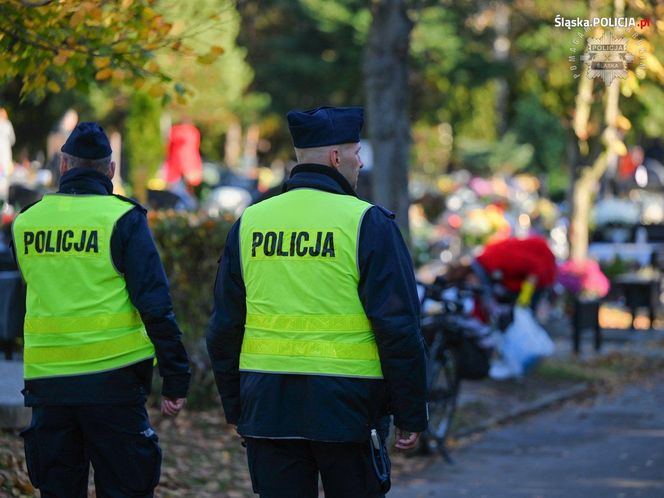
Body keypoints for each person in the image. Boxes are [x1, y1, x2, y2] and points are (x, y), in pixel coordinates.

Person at [207, 106, 428, 498]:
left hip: (268, 409)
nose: (360, 163)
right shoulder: (367, 222)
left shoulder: (251, 222)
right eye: (357, 153)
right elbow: (397, 326)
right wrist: (410, 411)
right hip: (348, 411)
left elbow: (224, 325)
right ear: (335, 157)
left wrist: (237, 408)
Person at [12, 122, 191, 498]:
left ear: (64, 165)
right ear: (110, 170)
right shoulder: (123, 219)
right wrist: (175, 377)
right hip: (114, 386)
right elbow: (155, 304)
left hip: (49, 387)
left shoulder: (27, 222)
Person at [0, 107, 16, 178]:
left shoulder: (7, 124)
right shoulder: (8, 124)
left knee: (5, 164)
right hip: (6, 148)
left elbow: (12, 139)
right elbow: (12, 139)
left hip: (5, 148)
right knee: (6, 164)